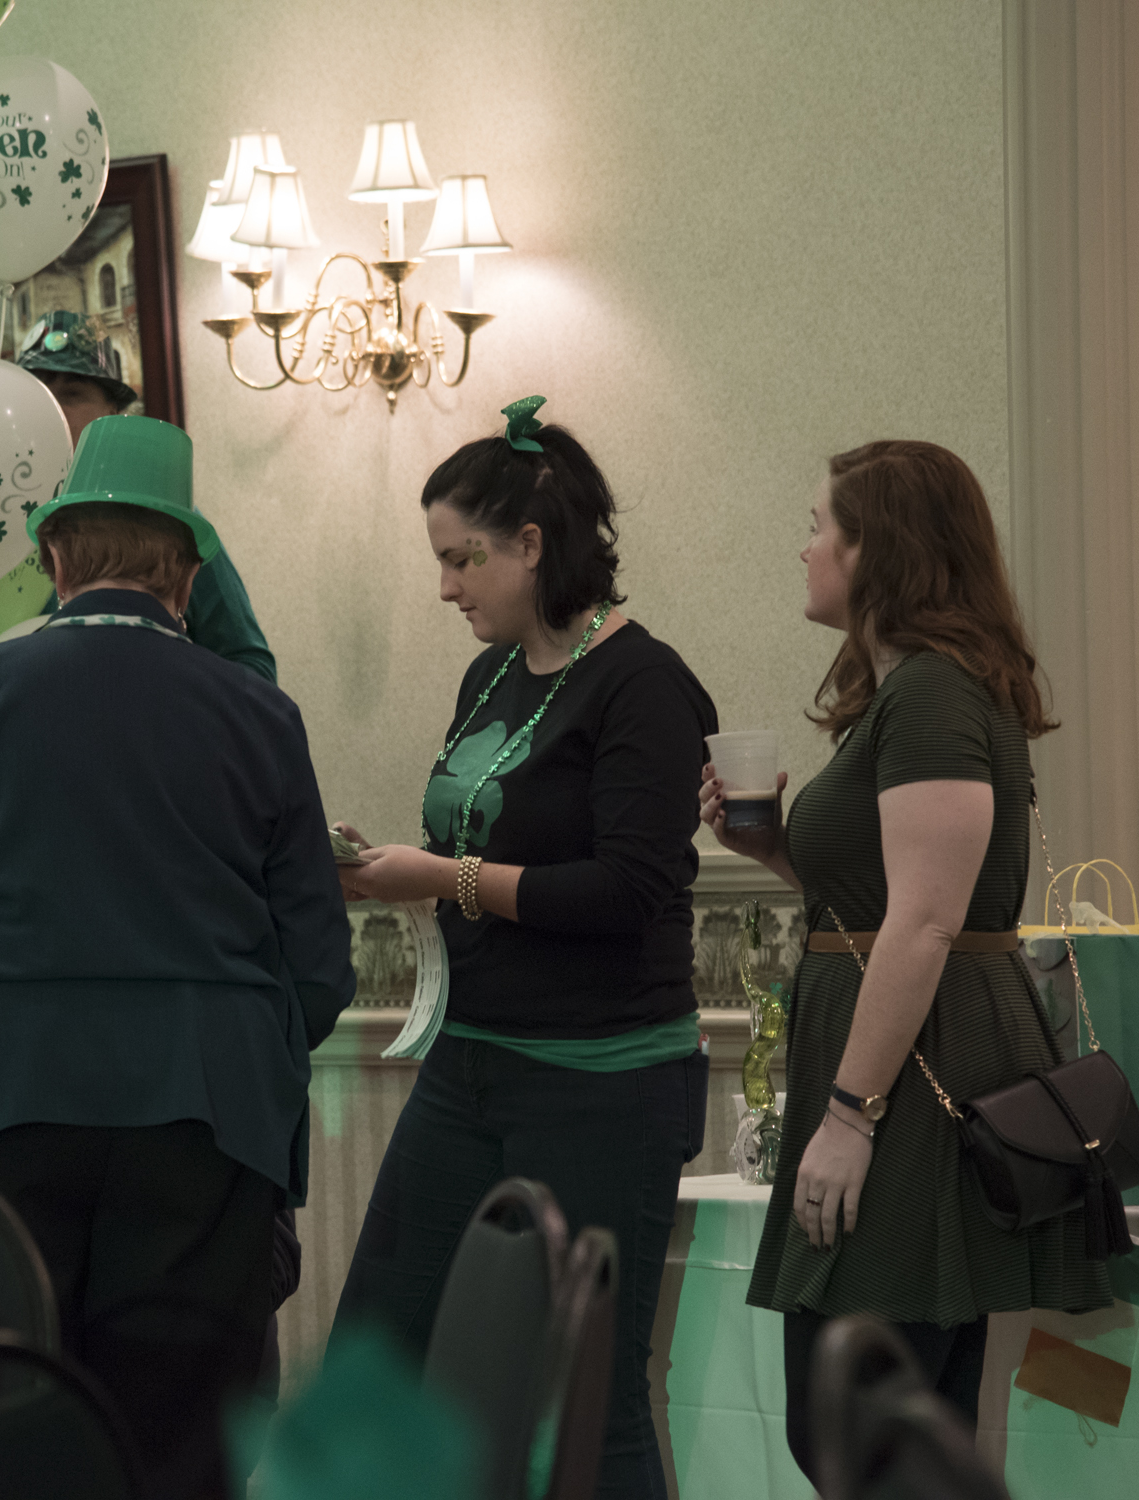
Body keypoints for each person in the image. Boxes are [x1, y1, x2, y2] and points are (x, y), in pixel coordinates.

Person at [0, 414, 356, 1500]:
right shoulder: (262, 716)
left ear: (54, 557)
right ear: (189, 573)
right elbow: (317, 976)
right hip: (204, 1121)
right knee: (177, 1454)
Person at [330, 397, 717, 1500]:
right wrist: (386, 869)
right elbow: (485, 849)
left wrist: (438, 877)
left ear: (532, 545)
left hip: (601, 1084)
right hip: (470, 1067)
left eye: (459, 559)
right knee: (378, 1355)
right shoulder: (492, 677)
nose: (444, 588)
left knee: (585, 1397)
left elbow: (627, 890)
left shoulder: (644, 684)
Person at [704, 439, 1113, 1479]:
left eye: (817, 527)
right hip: (903, 1062)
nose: (803, 549)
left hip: (909, 1078)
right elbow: (887, 902)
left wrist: (850, 1119)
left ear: (875, 548)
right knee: (888, 1429)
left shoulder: (931, 693)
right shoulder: (910, 693)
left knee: (861, 1428)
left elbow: (927, 922)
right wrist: (773, 848)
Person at [0, 310, 274, 680]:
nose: (51, 407)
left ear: (112, 411)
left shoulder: (163, 522)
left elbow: (250, 667)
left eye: (72, 394)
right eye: (39, 391)